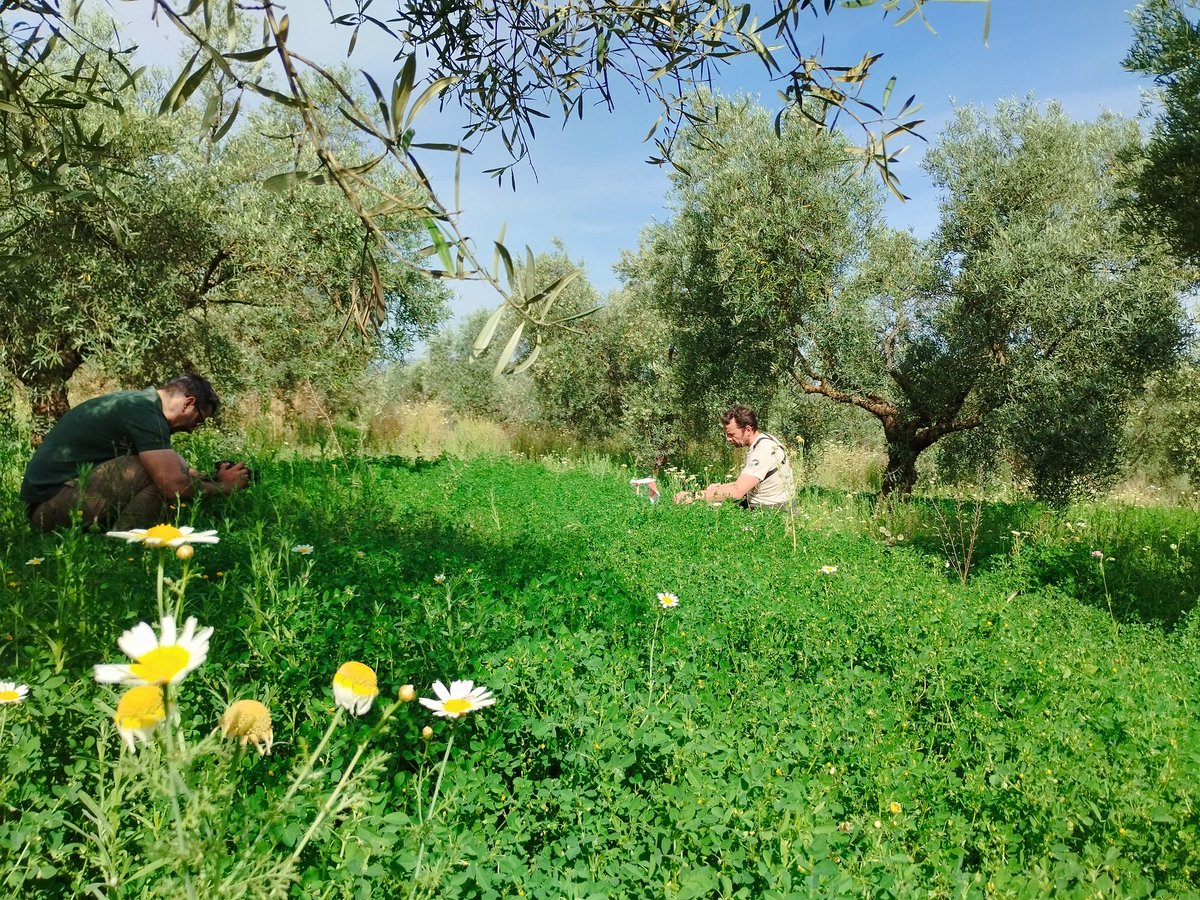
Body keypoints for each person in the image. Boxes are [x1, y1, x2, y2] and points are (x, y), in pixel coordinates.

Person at [21, 374, 250, 532]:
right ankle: (124, 546)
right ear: (188, 403)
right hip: (49, 508)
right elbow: (172, 485)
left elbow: (177, 470)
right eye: (198, 421)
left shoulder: (139, 404)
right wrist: (223, 488)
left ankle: (120, 539)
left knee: (168, 467)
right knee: (158, 476)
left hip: (50, 503)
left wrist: (208, 477)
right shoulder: (145, 412)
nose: (192, 430)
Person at [673, 404, 796, 509]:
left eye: (731, 434)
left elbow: (738, 491)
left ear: (747, 430)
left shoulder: (763, 450)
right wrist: (717, 489)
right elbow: (743, 484)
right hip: (765, 506)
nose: (728, 439)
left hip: (771, 512)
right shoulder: (763, 440)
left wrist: (693, 496)